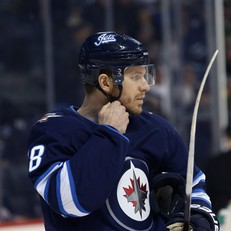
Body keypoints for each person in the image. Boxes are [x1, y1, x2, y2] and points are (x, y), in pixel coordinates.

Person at [27, 32, 219, 231]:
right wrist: (109, 134)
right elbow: (70, 203)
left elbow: (194, 183)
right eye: (135, 76)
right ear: (106, 82)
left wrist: (198, 216)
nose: (145, 86)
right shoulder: (55, 131)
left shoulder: (155, 129)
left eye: (145, 75)